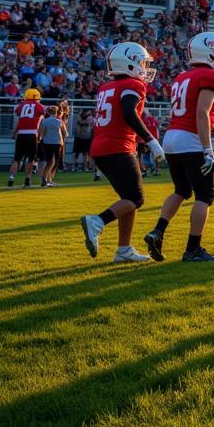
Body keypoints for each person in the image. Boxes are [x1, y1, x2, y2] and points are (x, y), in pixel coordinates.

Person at [143, 32, 214, 263]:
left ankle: (157, 232)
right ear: (211, 52)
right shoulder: (211, 76)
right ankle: (193, 249)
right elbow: (202, 114)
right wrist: (207, 149)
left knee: (182, 191)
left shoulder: (183, 76)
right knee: (205, 195)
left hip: (172, 138)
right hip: (191, 139)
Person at [80, 43, 164, 263]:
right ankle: (97, 221)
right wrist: (151, 140)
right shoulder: (133, 84)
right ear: (129, 62)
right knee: (136, 198)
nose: (144, 67)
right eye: (142, 62)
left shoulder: (106, 87)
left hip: (101, 147)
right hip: (117, 147)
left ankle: (124, 250)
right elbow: (128, 113)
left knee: (128, 199)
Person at [8, 88, 46, 188]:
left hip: (21, 134)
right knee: (30, 159)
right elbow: (43, 113)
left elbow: (19, 118)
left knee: (17, 159)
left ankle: (11, 178)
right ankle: (27, 178)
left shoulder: (22, 105)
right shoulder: (38, 105)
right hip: (32, 134)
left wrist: (14, 133)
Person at [38, 105, 66, 187]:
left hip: (47, 143)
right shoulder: (59, 121)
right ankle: (46, 178)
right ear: (56, 112)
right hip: (57, 143)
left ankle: (47, 179)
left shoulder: (44, 121)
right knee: (53, 162)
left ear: (49, 112)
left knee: (49, 161)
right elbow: (65, 133)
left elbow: (41, 134)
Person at [72, 108, 94, 173]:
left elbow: (78, 130)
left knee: (77, 153)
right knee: (85, 154)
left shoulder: (80, 121)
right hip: (86, 138)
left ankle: (74, 167)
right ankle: (85, 167)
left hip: (79, 138)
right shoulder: (88, 121)